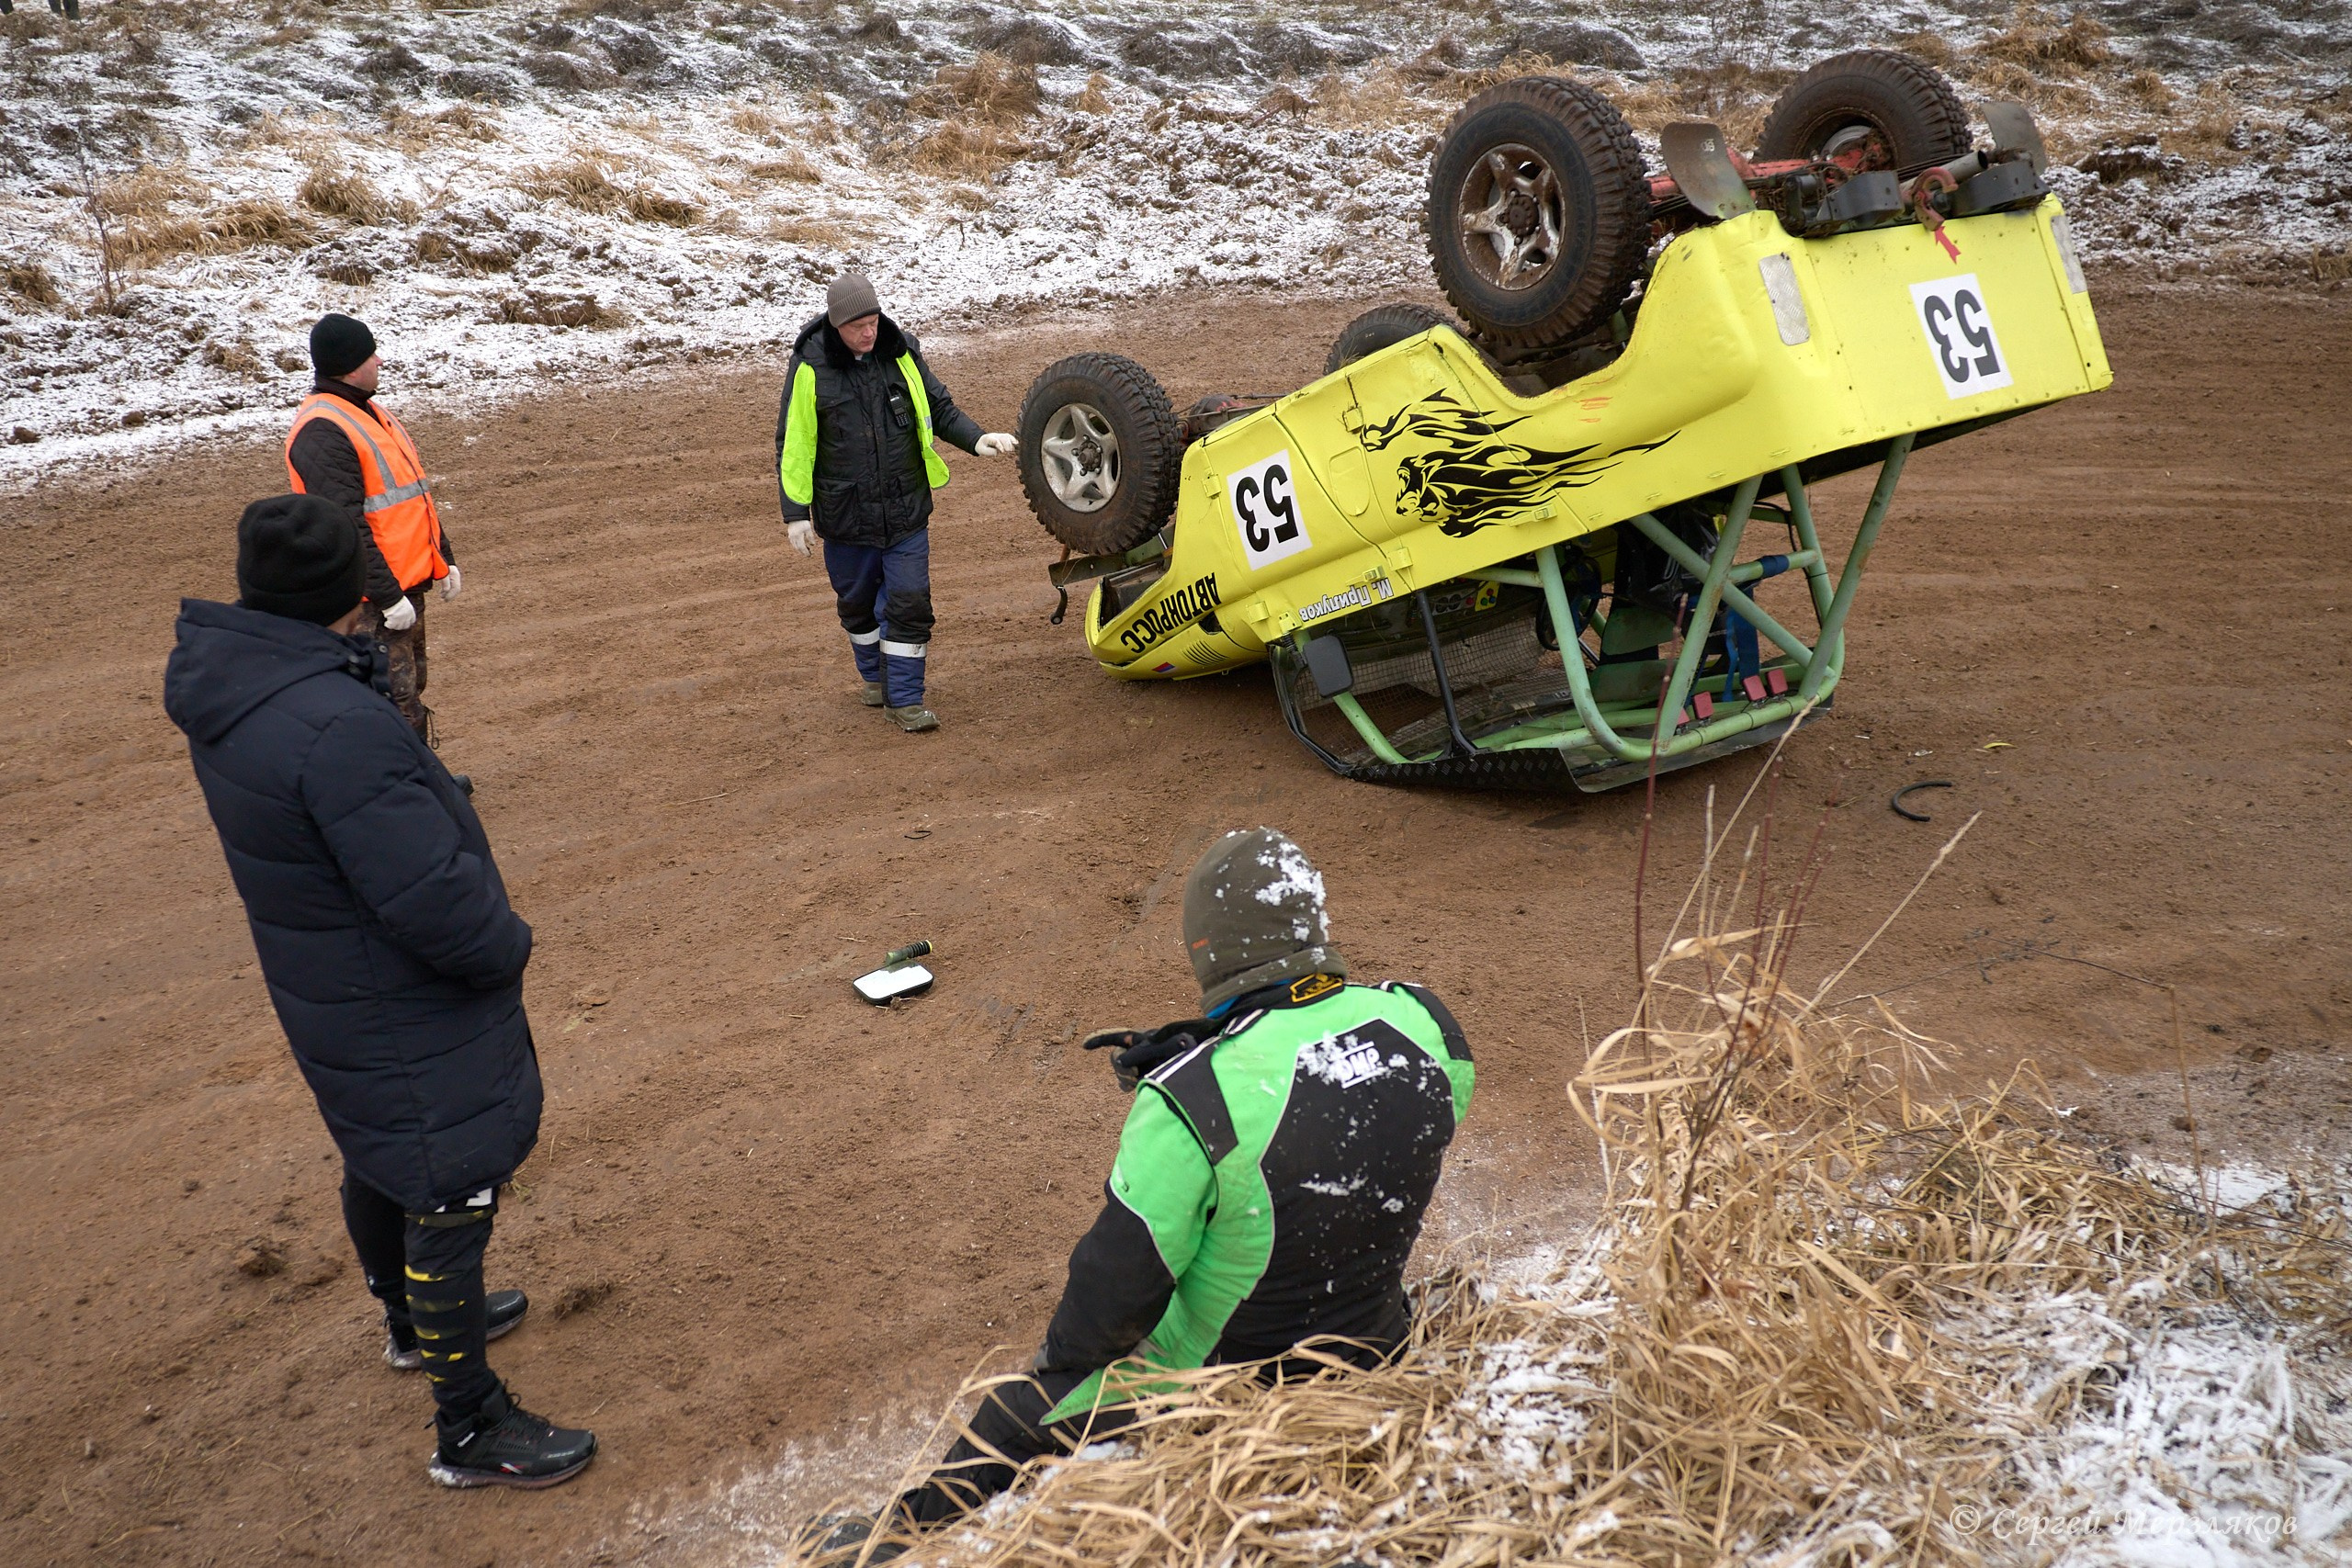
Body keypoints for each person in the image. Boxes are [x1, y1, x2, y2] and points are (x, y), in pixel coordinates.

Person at [810, 829, 1475, 1560]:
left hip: (1236, 1387)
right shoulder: (1426, 1022)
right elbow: (1332, 1103)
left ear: (1211, 948)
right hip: (1374, 1339)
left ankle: (887, 1541)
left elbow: (1107, 1305)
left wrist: (1195, 1076)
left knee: (1019, 1408)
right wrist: (1214, 1045)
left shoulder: (1190, 1103)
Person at [163, 494, 594, 1491]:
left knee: (383, 1152)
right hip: (400, 997)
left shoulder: (241, 690)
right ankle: (469, 1425)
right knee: (448, 1182)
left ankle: (410, 1322)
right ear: (345, 597)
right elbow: (431, 895)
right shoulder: (334, 726)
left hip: (332, 986)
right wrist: (505, 946)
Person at [775, 272, 1016, 734]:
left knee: (909, 602)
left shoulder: (900, 352)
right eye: (857, 327)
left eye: (873, 322)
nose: (869, 333)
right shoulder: (811, 368)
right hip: (846, 517)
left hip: (906, 511)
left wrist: (976, 438)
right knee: (857, 606)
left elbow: (939, 408)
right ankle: (875, 678)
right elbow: (795, 444)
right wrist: (795, 514)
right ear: (836, 325)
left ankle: (904, 700)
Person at [286, 311, 467, 785]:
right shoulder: (325, 430)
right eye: (371, 355)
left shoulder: (367, 412)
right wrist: (386, 596)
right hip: (372, 599)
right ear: (350, 367)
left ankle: (418, 784)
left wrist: (442, 558)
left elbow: (411, 496)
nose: (379, 361)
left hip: (402, 584)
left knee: (408, 690)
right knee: (387, 699)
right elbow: (345, 525)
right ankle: (407, 792)